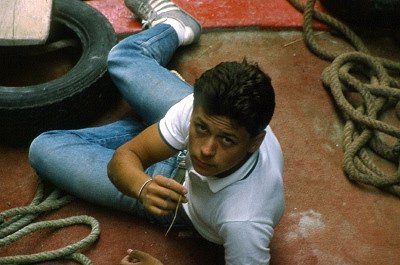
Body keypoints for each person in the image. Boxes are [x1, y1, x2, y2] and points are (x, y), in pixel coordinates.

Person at [28, 0, 285, 264]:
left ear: (255, 142)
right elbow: (127, 157)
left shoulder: (244, 222)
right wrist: (141, 186)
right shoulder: (205, 111)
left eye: (227, 140)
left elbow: (124, 161)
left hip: (172, 197)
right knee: (122, 56)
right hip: (174, 146)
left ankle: (157, 127)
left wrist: (147, 190)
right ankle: (175, 25)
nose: (205, 150)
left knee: (45, 148)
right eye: (202, 129)